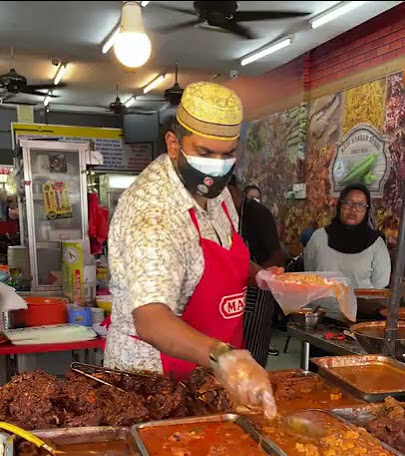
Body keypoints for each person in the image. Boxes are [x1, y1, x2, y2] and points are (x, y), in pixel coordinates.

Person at [106, 82, 283, 418]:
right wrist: (226, 357)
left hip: (208, 372)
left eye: (227, 154)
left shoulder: (216, 192)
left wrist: (259, 276)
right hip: (154, 382)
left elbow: (223, 253)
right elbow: (152, 320)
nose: (216, 165)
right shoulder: (154, 212)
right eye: (205, 153)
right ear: (174, 144)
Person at [228, 176, 285, 365]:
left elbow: (277, 256)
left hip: (258, 294)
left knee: (252, 356)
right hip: (232, 291)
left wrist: (258, 275)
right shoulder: (223, 215)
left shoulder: (258, 214)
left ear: (232, 191)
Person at [304, 183, 391, 289]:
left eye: (361, 205)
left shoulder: (376, 245)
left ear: (367, 211)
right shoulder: (319, 238)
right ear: (340, 205)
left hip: (363, 305)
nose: (353, 209)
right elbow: (308, 276)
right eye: (348, 203)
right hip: (322, 305)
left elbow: (380, 287)